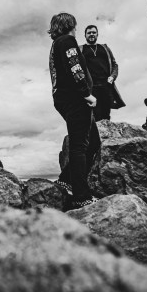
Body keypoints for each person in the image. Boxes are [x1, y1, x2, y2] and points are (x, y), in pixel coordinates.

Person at [49, 12, 101, 208]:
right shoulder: (67, 41)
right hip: (75, 98)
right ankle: (81, 196)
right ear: (70, 25)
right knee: (80, 146)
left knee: (93, 142)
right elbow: (75, 67)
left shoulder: (57, 43)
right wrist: (86, 93)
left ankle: (66, 179)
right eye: (75, 26)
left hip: (65, 98)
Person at [79, 25, 125, 121]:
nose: (91, 34)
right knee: (94, 115)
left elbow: (114, 64)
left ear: (97, 34)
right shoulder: (80, 49)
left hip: (106, 85)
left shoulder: (104, 47)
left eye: (94, 32)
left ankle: (105, 130)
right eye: (89, 33)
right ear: (85, 35)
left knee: (106, 115)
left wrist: (112, 76)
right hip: (91, 87)